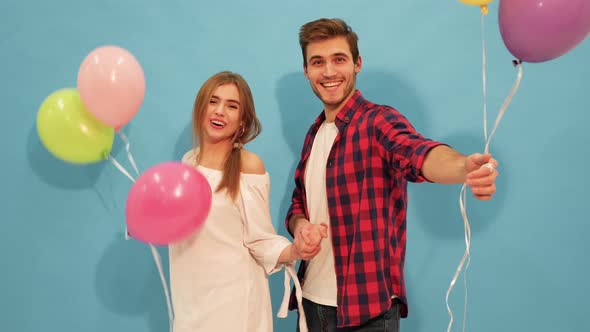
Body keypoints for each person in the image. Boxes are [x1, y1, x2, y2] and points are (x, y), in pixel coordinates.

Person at [283, 18, 500, 331]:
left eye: (339, 59)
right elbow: (297, 203)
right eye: (318, 62)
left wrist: (463, 167)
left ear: (357, 64)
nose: (329, 72)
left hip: (366, 312)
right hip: (311, 303)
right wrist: (300, 225)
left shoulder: (378, 121)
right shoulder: (314, 133)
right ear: (307, 71)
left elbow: (419, 153)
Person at [169, 71, 312, 332]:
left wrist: (296, 250)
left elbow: (260, 239)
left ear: (242, 121)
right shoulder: (188, 161)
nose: (220, 111)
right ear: (201, 107)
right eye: (213, 101)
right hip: (190, 300)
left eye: (231, 106)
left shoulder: (248, 166)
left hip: (233, 305)